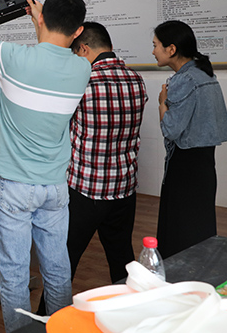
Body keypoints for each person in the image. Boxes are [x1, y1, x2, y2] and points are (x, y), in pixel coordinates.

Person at [0, 0, 90, 333]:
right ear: (78, 31)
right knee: (56, 267)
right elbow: (50, 55)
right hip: (54, 186)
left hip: (14, 185)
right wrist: (39, 21)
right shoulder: (82, 69)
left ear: (43, 19)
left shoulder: (13, 58)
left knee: (14, 272)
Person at [39, 23, 147, 317]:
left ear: (84, 49)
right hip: (124, 188)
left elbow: (56, 128)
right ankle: (133, 318)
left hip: (85, 190)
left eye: (76, 54)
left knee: (64, 260)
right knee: (121, 259)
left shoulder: (82, 82)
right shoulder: (136, 79)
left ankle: (44, 323)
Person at [152, 20, 227, 258]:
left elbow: (170, 129)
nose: (153, 51)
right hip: (204, 163)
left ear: (171, 49)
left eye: (156, 45)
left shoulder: (184, 79)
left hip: (185, 163)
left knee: (179, 227)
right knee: (199, 223)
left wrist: (162, 104)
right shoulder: (204, 73)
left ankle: (178, 273)